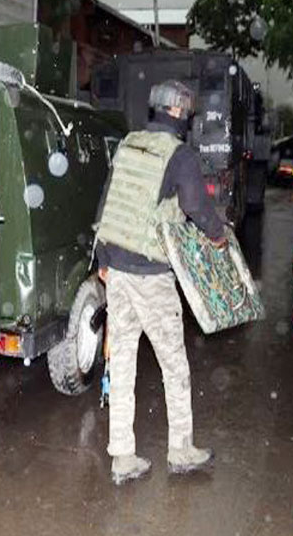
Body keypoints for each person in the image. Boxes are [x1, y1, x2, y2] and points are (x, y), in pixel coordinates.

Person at [95, 79, 226, 485]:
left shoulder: (128, 144)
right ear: (180, 112)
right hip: (151, 274)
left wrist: (102, 260)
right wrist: (218, 235)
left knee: (123, 363)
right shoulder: (179, 154)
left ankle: (122, 455)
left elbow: (108, 201)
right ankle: (181, 450)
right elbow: (196, 205)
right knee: (173, 364)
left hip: (117, 270)